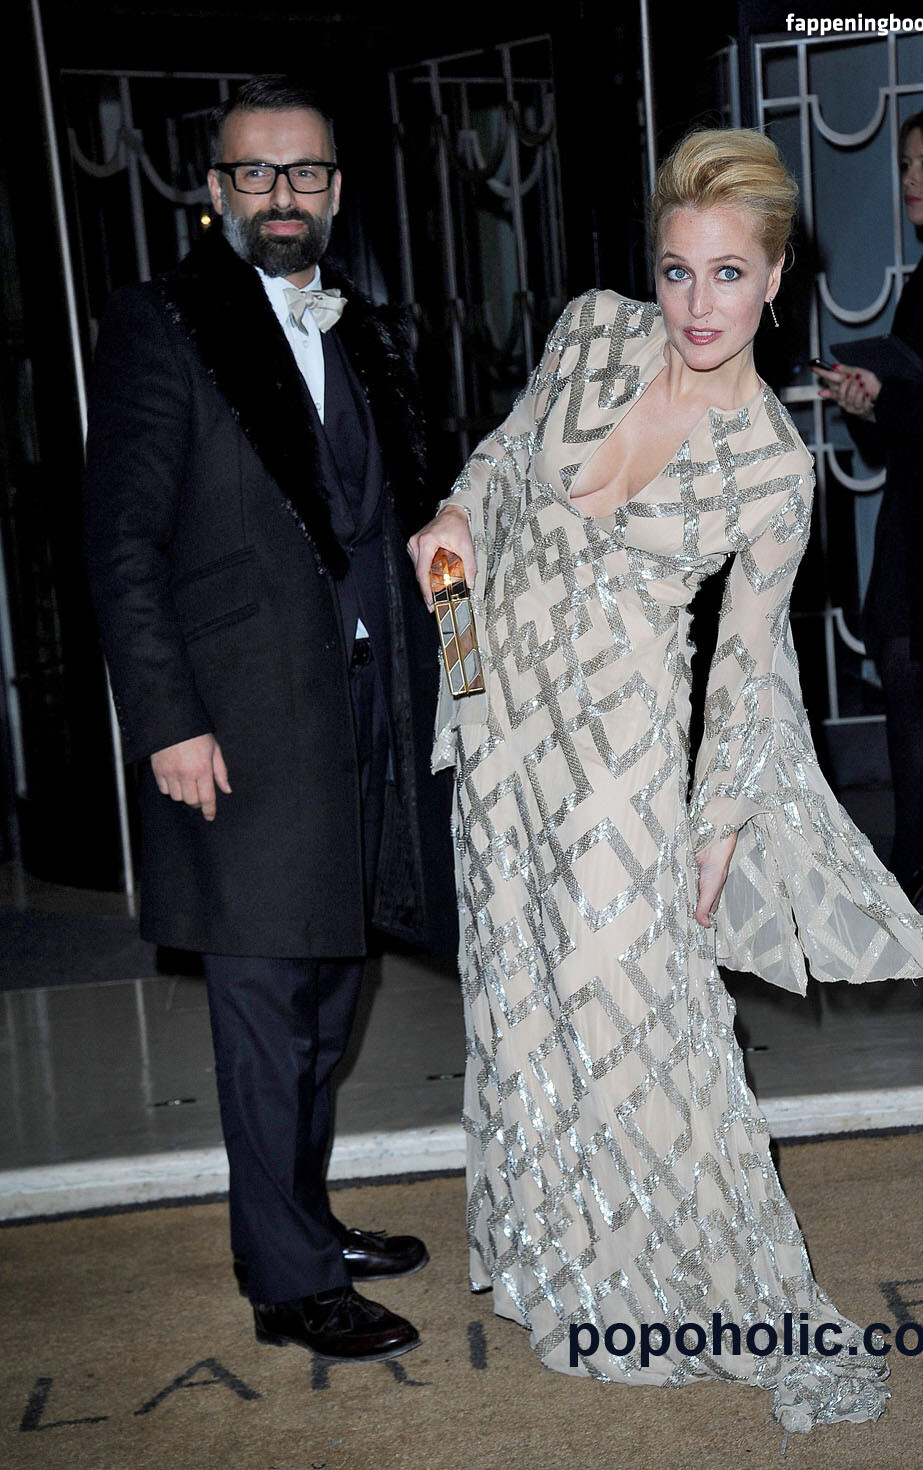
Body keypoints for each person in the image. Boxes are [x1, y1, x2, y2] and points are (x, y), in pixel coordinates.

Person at [408, 128, 923, 1432]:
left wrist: (710, 837)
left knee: (643, 1022)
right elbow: (501, 459)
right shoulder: (591, 333)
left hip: (620, 768)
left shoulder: (771, 462)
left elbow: (749, 675)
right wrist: (455, 526)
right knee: (526, 1005)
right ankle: (568, 1265)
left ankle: (703, 1280)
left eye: (727, 274)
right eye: (677, 270)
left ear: (774, 277)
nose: (698, 304)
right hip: (501, 741)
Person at [84, 75, 450, 1364]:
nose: (281, 195)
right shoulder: (161, 323)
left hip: (365, 710)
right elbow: (120, 543)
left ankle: (296, 1223)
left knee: (332, 994)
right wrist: (167, 721)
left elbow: (391, 520)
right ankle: (290, 1284)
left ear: (335, 190)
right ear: (215, 189)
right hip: (235, 726)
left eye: (304, 173)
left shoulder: (364, 329)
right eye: (256, 172)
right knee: (263, 1008)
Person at [813, 109, 923, 908]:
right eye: (904, 165)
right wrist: (866, 404)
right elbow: (906, 422)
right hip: (919, 508)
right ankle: (914, 859)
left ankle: (916, 861)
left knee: (914, 672)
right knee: (904, 674)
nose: (910, 180)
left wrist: (884, 401)